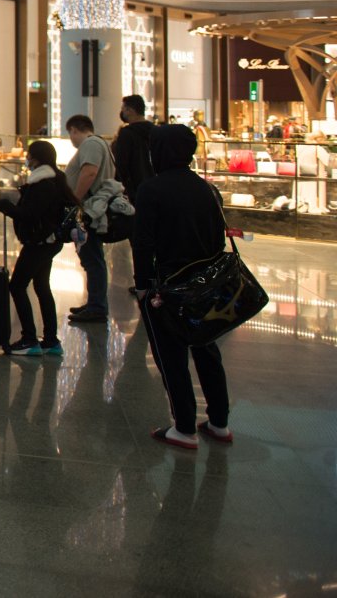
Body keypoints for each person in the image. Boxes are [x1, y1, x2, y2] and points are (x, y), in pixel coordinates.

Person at [133, 125, 234, 450]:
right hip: (206, 286)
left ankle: (184, 427)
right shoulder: (206, 189)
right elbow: (218, 238)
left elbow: (143, 243)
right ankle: (218, 422)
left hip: (170, 286)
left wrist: (143, 286)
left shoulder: (152, 189)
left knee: (171, 357)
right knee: (206, 350)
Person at [0, 140, 77, 357]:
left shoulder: (41, 183)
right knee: (41, 286)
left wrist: (7, 208)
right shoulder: (55, 180)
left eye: (29, 155)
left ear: (36, 158)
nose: (27, 159)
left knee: (17, 286)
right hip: (49, 242)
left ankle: (29, 338)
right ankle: (51, 340)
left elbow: (30, 214)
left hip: (38, 243)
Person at [65, 114, 116, 323]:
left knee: (93, 258)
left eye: (70, 134)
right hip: (90, 208)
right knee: (91, 258)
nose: (71, 139)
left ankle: (97, 306)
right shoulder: (98, 144)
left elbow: (89, 172)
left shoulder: (91, 144)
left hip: (89, 210)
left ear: (75, 130)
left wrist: (75, 200)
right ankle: (95, 301)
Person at [112, 94, 157, 200]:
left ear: (130, 110)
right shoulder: (156, 131)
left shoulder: (126, 134)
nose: (122, 112)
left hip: (135, 189)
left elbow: (121, 164)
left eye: (123, 109)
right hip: (155, 186)